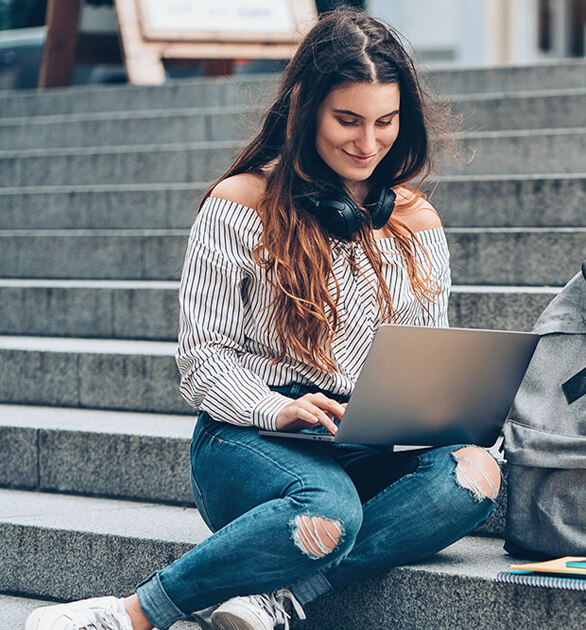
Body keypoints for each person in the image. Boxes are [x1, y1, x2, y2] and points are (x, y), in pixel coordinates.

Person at [25, 9, 501, 630]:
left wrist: (446, 411)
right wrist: (276, 408)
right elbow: (202, 359)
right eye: (347, 121)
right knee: (330, 510)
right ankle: (131, 614)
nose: (368, 143)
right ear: (306, 113)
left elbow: (422, 358)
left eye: (386, 123)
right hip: (249, 436)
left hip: (365, 435)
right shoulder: (239, 204)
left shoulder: (416, 222)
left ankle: (277, 597)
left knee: (474, 475)